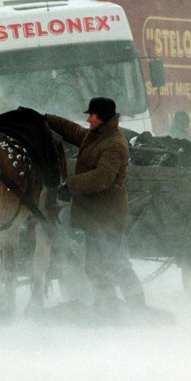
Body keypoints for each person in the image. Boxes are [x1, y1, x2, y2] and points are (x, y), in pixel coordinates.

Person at [45, 97, 147, 317]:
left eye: (91, 115)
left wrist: (69, 185)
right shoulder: (97, 137)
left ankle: (138, 308)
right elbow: (73, 132)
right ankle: (107, 305)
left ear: (103, 118)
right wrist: (46, 119)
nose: (87, 118)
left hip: (107, 217)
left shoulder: (114, 144)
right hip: (95, 218)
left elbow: (103, 177)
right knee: (94, 267)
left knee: (117, 264)